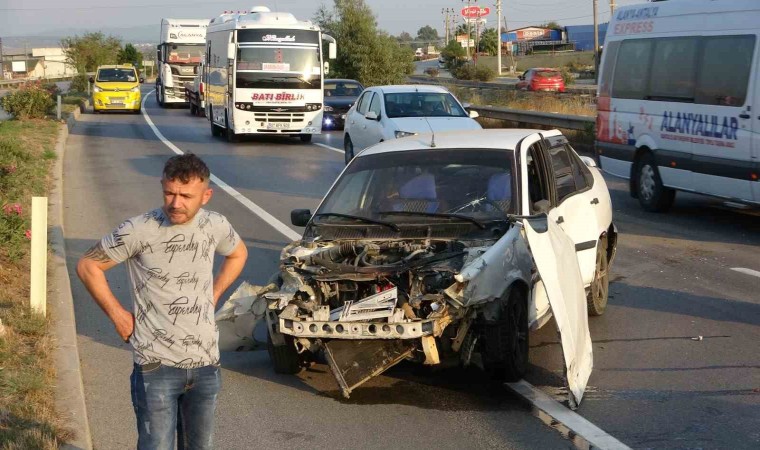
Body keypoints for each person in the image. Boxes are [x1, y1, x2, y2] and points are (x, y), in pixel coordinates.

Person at [76, 153, 248, 450]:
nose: (175, 203)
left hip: (206, 364)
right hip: (156, 366)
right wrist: (118, 315)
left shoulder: (215, 225)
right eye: (169, 193)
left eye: (185, 196)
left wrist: (214, 294)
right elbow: (88, 266)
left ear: (206, 196)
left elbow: (238, 253)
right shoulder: (138, 229)